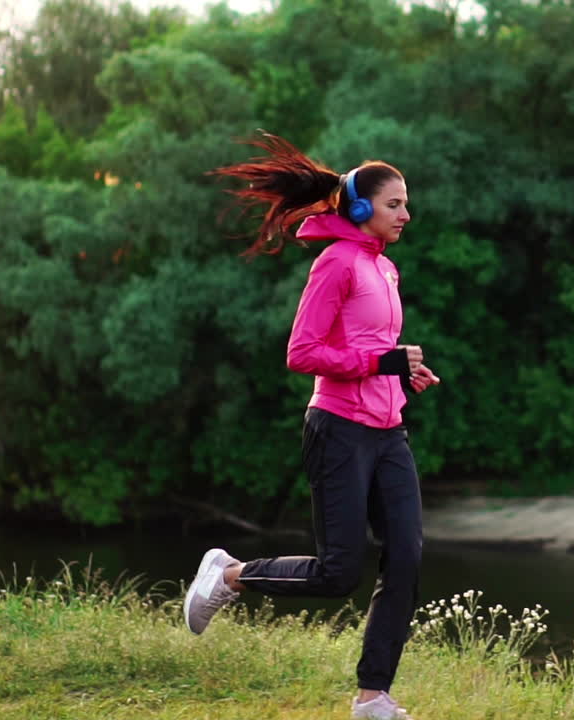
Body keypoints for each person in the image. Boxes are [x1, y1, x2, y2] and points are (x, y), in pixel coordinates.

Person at [183, 133, 439, 720]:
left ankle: (373, 696)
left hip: (387, 429)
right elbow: (302, 352)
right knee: (338, 573)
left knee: (406, 555)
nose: (406, 213)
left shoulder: (386, 270)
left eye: (405, 203)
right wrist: (382, 362)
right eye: (394, 204)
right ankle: (230, 574)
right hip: (338, 428)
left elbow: (374, 347)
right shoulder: (336, 263)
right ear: (359, 208)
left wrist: (402, 374)